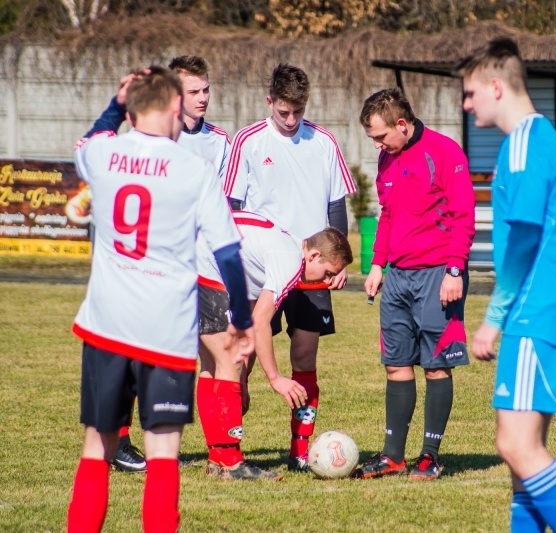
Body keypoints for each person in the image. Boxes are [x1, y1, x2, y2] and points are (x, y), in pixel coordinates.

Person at [67, 67, 255, 533]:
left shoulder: (104, 153)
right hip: (166, 331)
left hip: (106, 326)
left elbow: (91, 139)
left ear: (131, 106)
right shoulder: (194, 170)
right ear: (176, 106)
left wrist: (116, 103)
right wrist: (244, 318)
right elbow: (229, 252)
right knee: (163, 456)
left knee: (97, 449)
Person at [457, 37, 556, 532]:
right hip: (552, 304)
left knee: (517, 447)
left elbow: (525, 238)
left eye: (471, 93)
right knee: (521, 458)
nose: (466, 103)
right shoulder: (540, 140)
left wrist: (493, 318)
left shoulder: (524, 143)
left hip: (538, 308)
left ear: (496, 86)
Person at [223, 63, 356, 471]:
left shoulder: (324, 142)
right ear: (270, 102)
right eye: (284, 111)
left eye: (298, 111)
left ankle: (301, 453)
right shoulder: (247, 141)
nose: (292, 119)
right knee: (240, 357)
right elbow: (231, 207)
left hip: (312, 267)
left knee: (305, 357)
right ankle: (228, 450)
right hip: (263, 266)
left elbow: (337, 204)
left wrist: (337, 260)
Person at [108, 54, 233, 473]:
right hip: (152, 266)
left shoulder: (221, 143)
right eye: (193, 91)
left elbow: (230, 206)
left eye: (206, 90)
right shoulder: (150, 137)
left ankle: (220, 446)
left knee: (206, 356)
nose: (203, 98)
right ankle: (121, 442)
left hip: (203, 270)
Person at [355, 88, 476, 480]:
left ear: (402, 125)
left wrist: (454, 270)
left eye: (379, 136)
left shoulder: (444, 152)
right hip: (398, 278)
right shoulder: (386, 159)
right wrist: (377, 265)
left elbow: (463, 215)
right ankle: (392, 456)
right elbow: (387, 216)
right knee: (395, 364)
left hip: (439, 274)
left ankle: (430, 455)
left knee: (436, 366)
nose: (376, 144)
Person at [196, 211, 353, 479]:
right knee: (230, 361)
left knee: (212, 365)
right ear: (313, 255)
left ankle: (217, 459)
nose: (327, 282)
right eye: (328, 273)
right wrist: (275, 378)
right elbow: (260, 322)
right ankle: (231, 462)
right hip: (199, 265)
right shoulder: (291, 259)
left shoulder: (285, 246)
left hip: (187, 259)